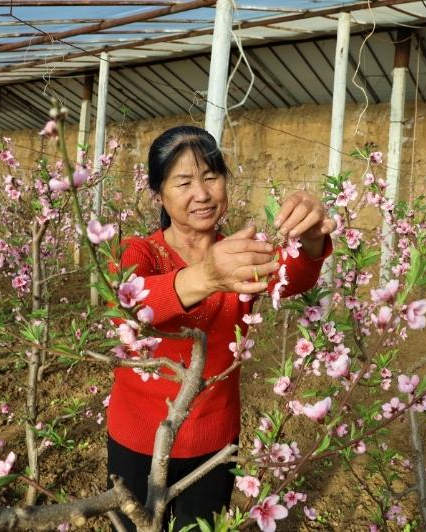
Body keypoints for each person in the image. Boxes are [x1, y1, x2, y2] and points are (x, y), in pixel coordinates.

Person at [107, 125, 335, 530]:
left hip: (214, 439)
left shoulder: (238, 251)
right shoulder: (140, 251)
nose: (203, 193)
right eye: (184, 182)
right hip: (137, 437)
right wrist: (208, 275)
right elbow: (127, 300)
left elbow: (293, 277)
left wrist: (312, 240)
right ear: (159, 194)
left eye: (212, 177)